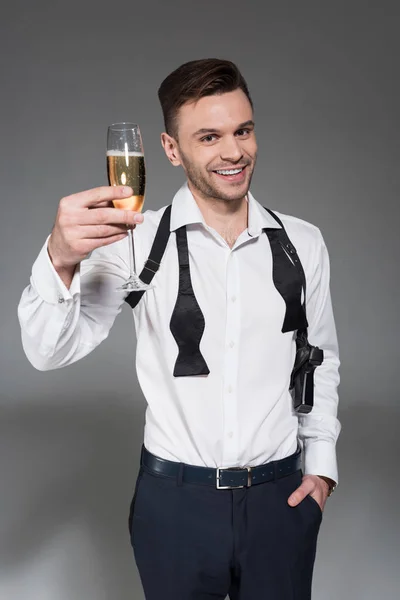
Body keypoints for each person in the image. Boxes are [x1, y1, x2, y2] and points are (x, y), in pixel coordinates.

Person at [18, 58, 341, 599]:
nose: (233, 152)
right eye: (209, 136)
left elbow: (320, 358)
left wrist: (322, 472)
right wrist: (59, 257)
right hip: (174, 505)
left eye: (243, 130)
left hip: (279, 502)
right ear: (171, 150)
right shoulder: (134, 242)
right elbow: (47, 351)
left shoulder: (303, 243)